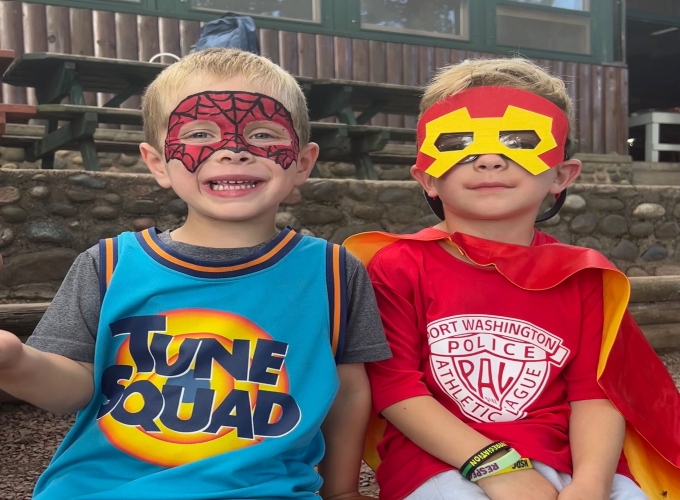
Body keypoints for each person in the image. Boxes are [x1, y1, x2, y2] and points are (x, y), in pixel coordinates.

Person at [0, 48, 390, 500]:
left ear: (302, 162)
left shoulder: (334, 272)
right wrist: (16, 364)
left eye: (263, 134)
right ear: (157, 163)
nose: (233, 151)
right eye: (201, 133)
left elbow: (346, 392)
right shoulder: (107, 265)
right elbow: (71, 389)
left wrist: (341, 491)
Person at [345, 58, 680, 500]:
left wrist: (593, 486)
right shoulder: (397, 265)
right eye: (459, 142)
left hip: (567, 461)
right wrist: (498, 469)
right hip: (440, 465)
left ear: (561, 175)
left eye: (519, 141)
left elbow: (595, 394)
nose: (488, 160)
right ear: (427, 177)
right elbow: (395, 387)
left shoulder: (583, 275)